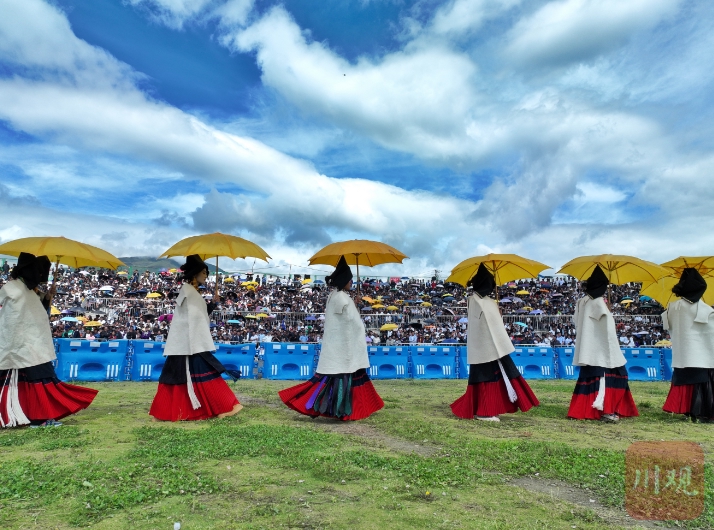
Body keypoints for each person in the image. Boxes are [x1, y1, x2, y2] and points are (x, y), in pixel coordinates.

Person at [278, 256, 384, 420]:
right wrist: (352, 304)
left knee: (340, 379)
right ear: (344, 280)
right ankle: (340, 411)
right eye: (350, 280)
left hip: (341, 348)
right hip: (343, 348)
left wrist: (353, 302)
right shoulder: (341, 297)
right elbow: (348, 321)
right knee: (340, 379)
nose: (352, 283)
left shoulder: (338, 296)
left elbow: (346, 316)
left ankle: (345, 410)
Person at [0, 253, 98, 428]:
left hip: (31, 341)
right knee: (30, 378)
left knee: (37, 377)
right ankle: (35, 417)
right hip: (18, 343)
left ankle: (34, 417)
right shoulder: (11, 288)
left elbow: (35, 309)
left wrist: (47, 297)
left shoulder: (30, 290)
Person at [149, 255, 242, 421]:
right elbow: (193, 319)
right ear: (195, 274)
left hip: (186, 343)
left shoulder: (191, 292)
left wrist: (212, 305)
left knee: (183, 377)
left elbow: (197, 316)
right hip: (190, 345)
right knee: (207, 375)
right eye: (204, 272)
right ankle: (224, 406)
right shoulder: (190, 292)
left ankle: (182, 411)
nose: (206, 276)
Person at [450, 264, 539, 422]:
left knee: (497, 376)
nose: (492, 287)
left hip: (493, 347)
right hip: (485, 347)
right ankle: (485, 411)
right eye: (489, 284)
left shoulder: (488, 301)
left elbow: (493, 323)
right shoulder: (475, 300)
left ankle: (488, 409)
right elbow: (484, 325)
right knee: (486, 377)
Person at [567, 266, 638, 422]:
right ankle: (606, 410)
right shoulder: (598, 302)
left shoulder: (582, 301)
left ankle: (587, 409)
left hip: (588, 347)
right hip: (602, 349)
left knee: (590, 377)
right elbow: (607, 330)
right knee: (616, 376)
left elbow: (575, 320)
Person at [661, 268, 714, 422]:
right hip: (701, 354)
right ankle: (700, 411)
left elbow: (666, 325)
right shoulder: (704, 309)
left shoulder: (672, 307)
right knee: (701, 381)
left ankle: (686, 410)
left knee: (684, 379)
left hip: (681, 353)